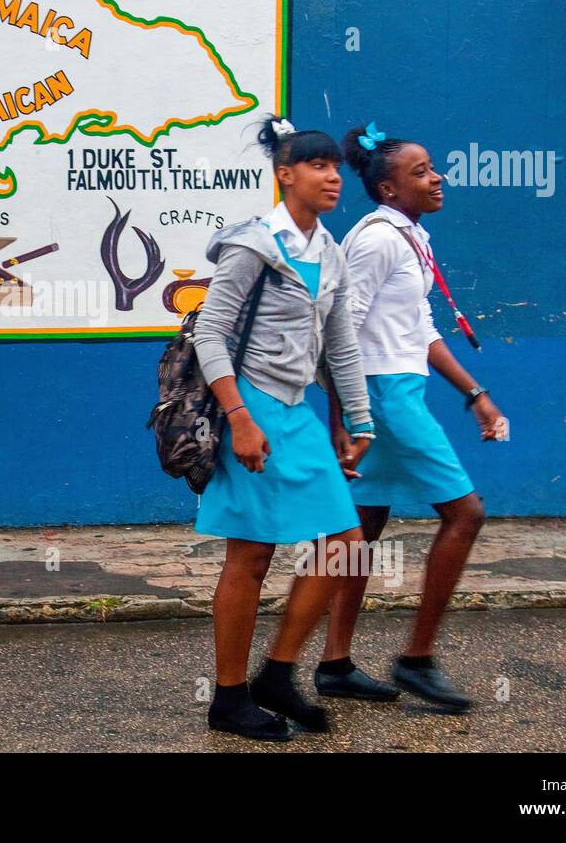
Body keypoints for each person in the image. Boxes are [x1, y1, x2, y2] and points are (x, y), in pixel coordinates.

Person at [193, 115, 376, 741]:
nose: (332, 178)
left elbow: (341, 346)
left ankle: (277, 674)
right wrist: (239, 419)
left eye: (336, 168)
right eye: (318, 166)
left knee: (345, 542)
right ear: (285, 175)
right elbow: (209, 334)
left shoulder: (329, 250)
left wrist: (357, 419)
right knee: (252, 554)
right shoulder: (254, 244)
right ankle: (228, 696)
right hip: (252, 406)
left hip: (298, 412)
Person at [316, 122, 507, 713]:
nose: (437, 176)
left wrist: (473, 391)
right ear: (390, 190)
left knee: (364, 528)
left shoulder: (407, 236)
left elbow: (417, 329)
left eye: (433, 167)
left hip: (393, 387)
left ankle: (334, 665)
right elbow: (336, 328)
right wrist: (343, 416)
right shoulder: (377, 240)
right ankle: (417, 658)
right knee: (465, 513)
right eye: (421, 171)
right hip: (381, 395)